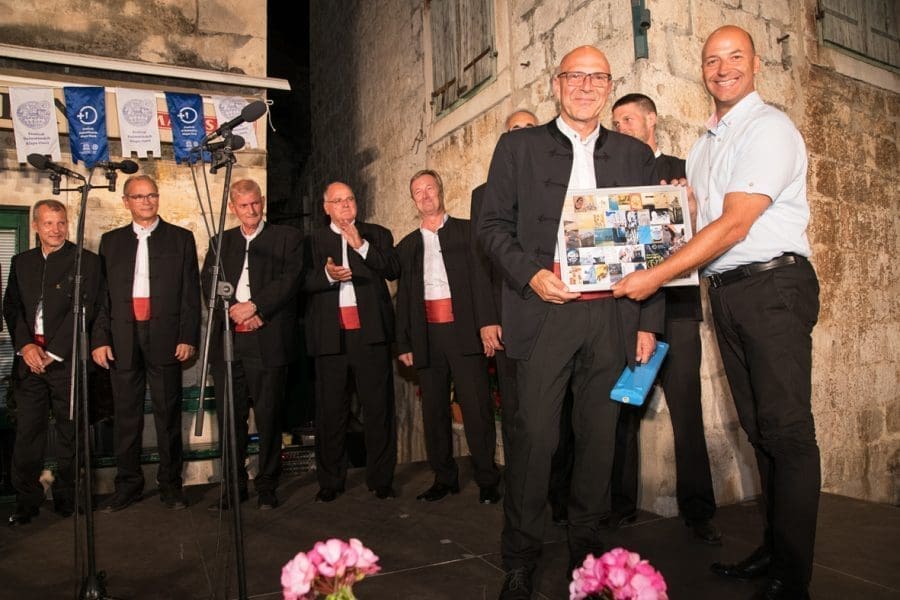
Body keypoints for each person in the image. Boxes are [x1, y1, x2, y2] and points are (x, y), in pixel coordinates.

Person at [613, 25, 821, 600]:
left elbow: (733, 225)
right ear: (702, 69)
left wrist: (653, 275)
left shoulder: (769, 127)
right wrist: (676, 207)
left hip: (773, 285)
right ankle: (774, 549)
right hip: (726, 290)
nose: (723, 68)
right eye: (712, 60)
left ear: (756, 64)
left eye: (734, 57)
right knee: (758, 430)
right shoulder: (705, 145)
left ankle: (793, 575)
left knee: (788, 432)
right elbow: (700, 221)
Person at [478, 46, 664, 598]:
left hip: (612, 314)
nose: (585, 85)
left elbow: (653, 245)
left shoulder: (635, 154)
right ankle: (520, 557)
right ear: (556, 85)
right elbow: (490, 228)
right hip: (544, 311)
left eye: (597, 77)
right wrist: (532, 275)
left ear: (609, 86)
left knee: (599, 440)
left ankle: (585, 551)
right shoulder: (518, 147)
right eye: (574, 76)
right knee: (535, 439)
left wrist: (648, 322)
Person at [608, 92, 722, 544]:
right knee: (623, 411)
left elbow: (711, 228)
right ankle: (618, 506)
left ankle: (699, 512)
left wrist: (690, 210)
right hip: (625, 310)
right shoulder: (609, 174)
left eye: (628, 119)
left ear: (651, 119)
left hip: (677, 309)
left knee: (687, 411)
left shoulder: (682, 168)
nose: (621, 128)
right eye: (616, 122)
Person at [470, 109, 577, 527]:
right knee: (520, 414)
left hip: (562, 310)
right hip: (512, 315)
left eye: (529, 129)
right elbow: (482, 264)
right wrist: (487, 319)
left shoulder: (565, 177)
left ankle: (560, 497)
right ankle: (523, 500)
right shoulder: (484, 194)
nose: (522, 136)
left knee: (561, 413)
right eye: (514, 130)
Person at [91, 174, 201, 512]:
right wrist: (100, 339)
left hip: (166, 338)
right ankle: (128, 485)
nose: (146, 201)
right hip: (122, 339)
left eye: (151, 195)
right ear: (126, 202)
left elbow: (190, 293)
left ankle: (171, 485)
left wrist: (187, 336)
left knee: (168, 415)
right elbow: (102, 298)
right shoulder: (111, 242)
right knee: (126, 417)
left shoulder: (181, 238)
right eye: (139, 197)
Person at [396, 169, 501, 505]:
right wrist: (404, 342)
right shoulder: (408, 246)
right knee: (434, 412)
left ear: (440, 191)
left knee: (477, 407)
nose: (425, 195)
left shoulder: (468, 232)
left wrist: (488, 322)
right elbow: (403, 297)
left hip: (464, 329)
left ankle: (487, 479)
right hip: (427, 334)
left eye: (429, 188)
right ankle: (444, 478)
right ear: (413, 200)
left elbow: (485, 281)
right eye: (418, 191)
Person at [201, 179, 302, 511]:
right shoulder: (220, 242)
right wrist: (237, 310)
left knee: (269, 416)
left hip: (268, 339)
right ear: (233, 208)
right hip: (229, 341)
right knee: (231, 418)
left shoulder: (286, 237)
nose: (251, 210)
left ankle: (268, 484)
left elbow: (290, 279)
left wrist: (257, 307)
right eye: (243, 205)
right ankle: (233, 486)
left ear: (263, 201)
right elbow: (208, 282)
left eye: (255, 202)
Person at [4, 200, 102, 526]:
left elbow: (87, 310)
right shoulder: (21, 262)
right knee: (27, 435)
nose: (56, 230)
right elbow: (12, 308)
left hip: (66, 361)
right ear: (35, 226)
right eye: (48, 223)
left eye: (61, 223)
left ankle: (68, 498)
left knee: (70, 434)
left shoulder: (86, 261)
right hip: (29, 362)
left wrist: (54, 352)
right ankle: (26, 501)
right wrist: (26, 346)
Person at [303, 181, 398, 502]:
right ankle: (331, 481)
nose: (345, 205)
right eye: (338, 201)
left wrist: (361, 246)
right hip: (330, 337)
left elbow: (392, 268)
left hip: (370, 336)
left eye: (350, 199)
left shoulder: (378, 234)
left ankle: (381, 479)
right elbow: (301, 282)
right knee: (331, 412)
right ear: (326, 207)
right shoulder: (313, 241)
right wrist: (327, 276)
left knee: (378, 409)